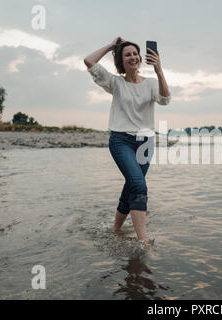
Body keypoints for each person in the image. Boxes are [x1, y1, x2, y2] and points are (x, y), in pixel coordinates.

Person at [83, 37, 171, 241]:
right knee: (139, 185)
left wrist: (158, 70)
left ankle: (115, 229)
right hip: (121, 141)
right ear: (121, 61)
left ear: (140, 58)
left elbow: (165, 99)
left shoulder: (150, 84)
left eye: (135, 54)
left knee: (132, 185)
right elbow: (89, 61)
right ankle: (143, 243)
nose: (133, 57)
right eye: (127, 54)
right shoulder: (115, 82)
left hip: (146, 143)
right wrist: (111, 46)